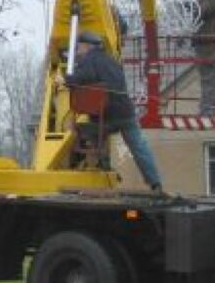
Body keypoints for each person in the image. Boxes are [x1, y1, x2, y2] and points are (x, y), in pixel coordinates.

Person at [62, 30, 164, 192]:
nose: (77, 50)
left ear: (87, 46)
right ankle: (155, 182)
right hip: (126, 113)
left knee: (85, 130)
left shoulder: (88, 60)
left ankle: (100, 167)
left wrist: (65, 79)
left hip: (106, 117)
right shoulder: (112, 60)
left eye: (79, 47)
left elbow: (82, 78)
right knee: (139, 147)